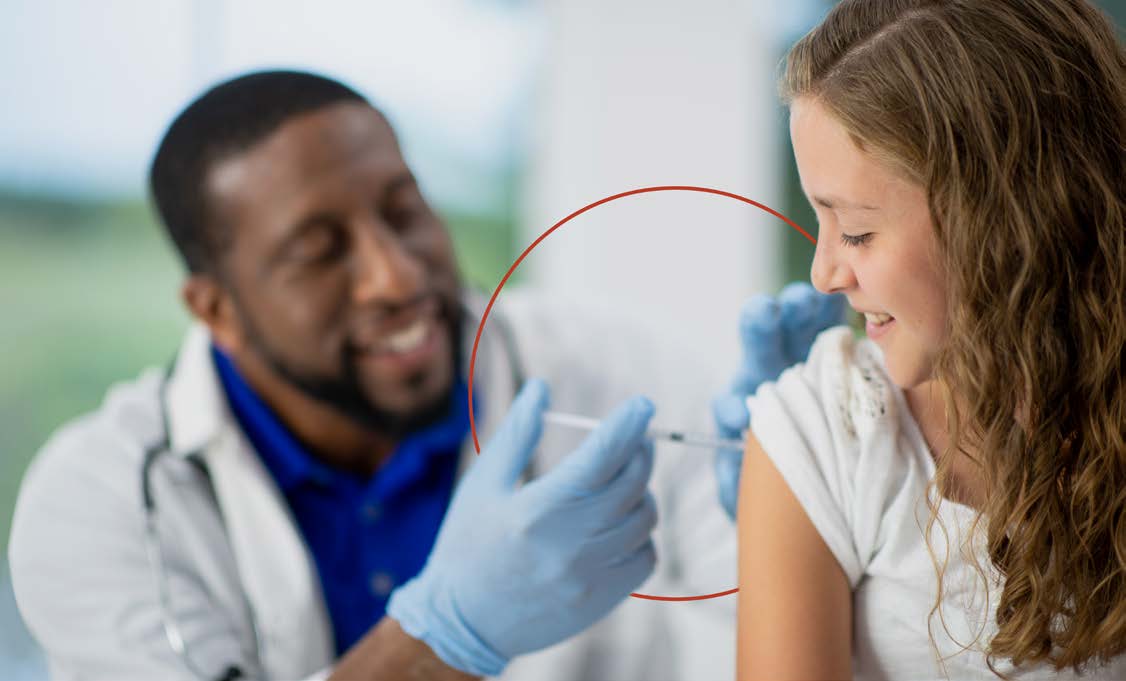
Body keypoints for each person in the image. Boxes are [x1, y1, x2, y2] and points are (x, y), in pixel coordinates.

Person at [7, 70, 842, 681]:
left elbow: (776, 648)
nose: (396, 276)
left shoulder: (611, 368)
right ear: (215, 307)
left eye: (404, 211)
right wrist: (446, 634)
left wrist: (812, 504)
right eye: (319, 252)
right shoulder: (102, 502)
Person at [732, 0, 1126, 679]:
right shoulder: (821, 433)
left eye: (855, 229)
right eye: (819, 220)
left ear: (1005, 220)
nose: (823, 273)